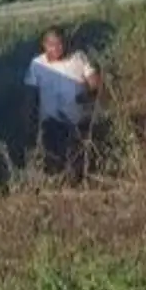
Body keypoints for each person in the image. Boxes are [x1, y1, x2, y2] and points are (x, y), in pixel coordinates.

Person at [22, 26, 103, 181]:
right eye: (52, 45)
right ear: (44, 45)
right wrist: (28, 120)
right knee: (55, 162)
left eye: (60, 44)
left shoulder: (78, 58)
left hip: (78, 122)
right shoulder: (37, 65)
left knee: (78, 162)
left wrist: (88, 95)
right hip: (51, 123)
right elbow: (30, 95)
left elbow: (95, 82)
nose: (57, 48)